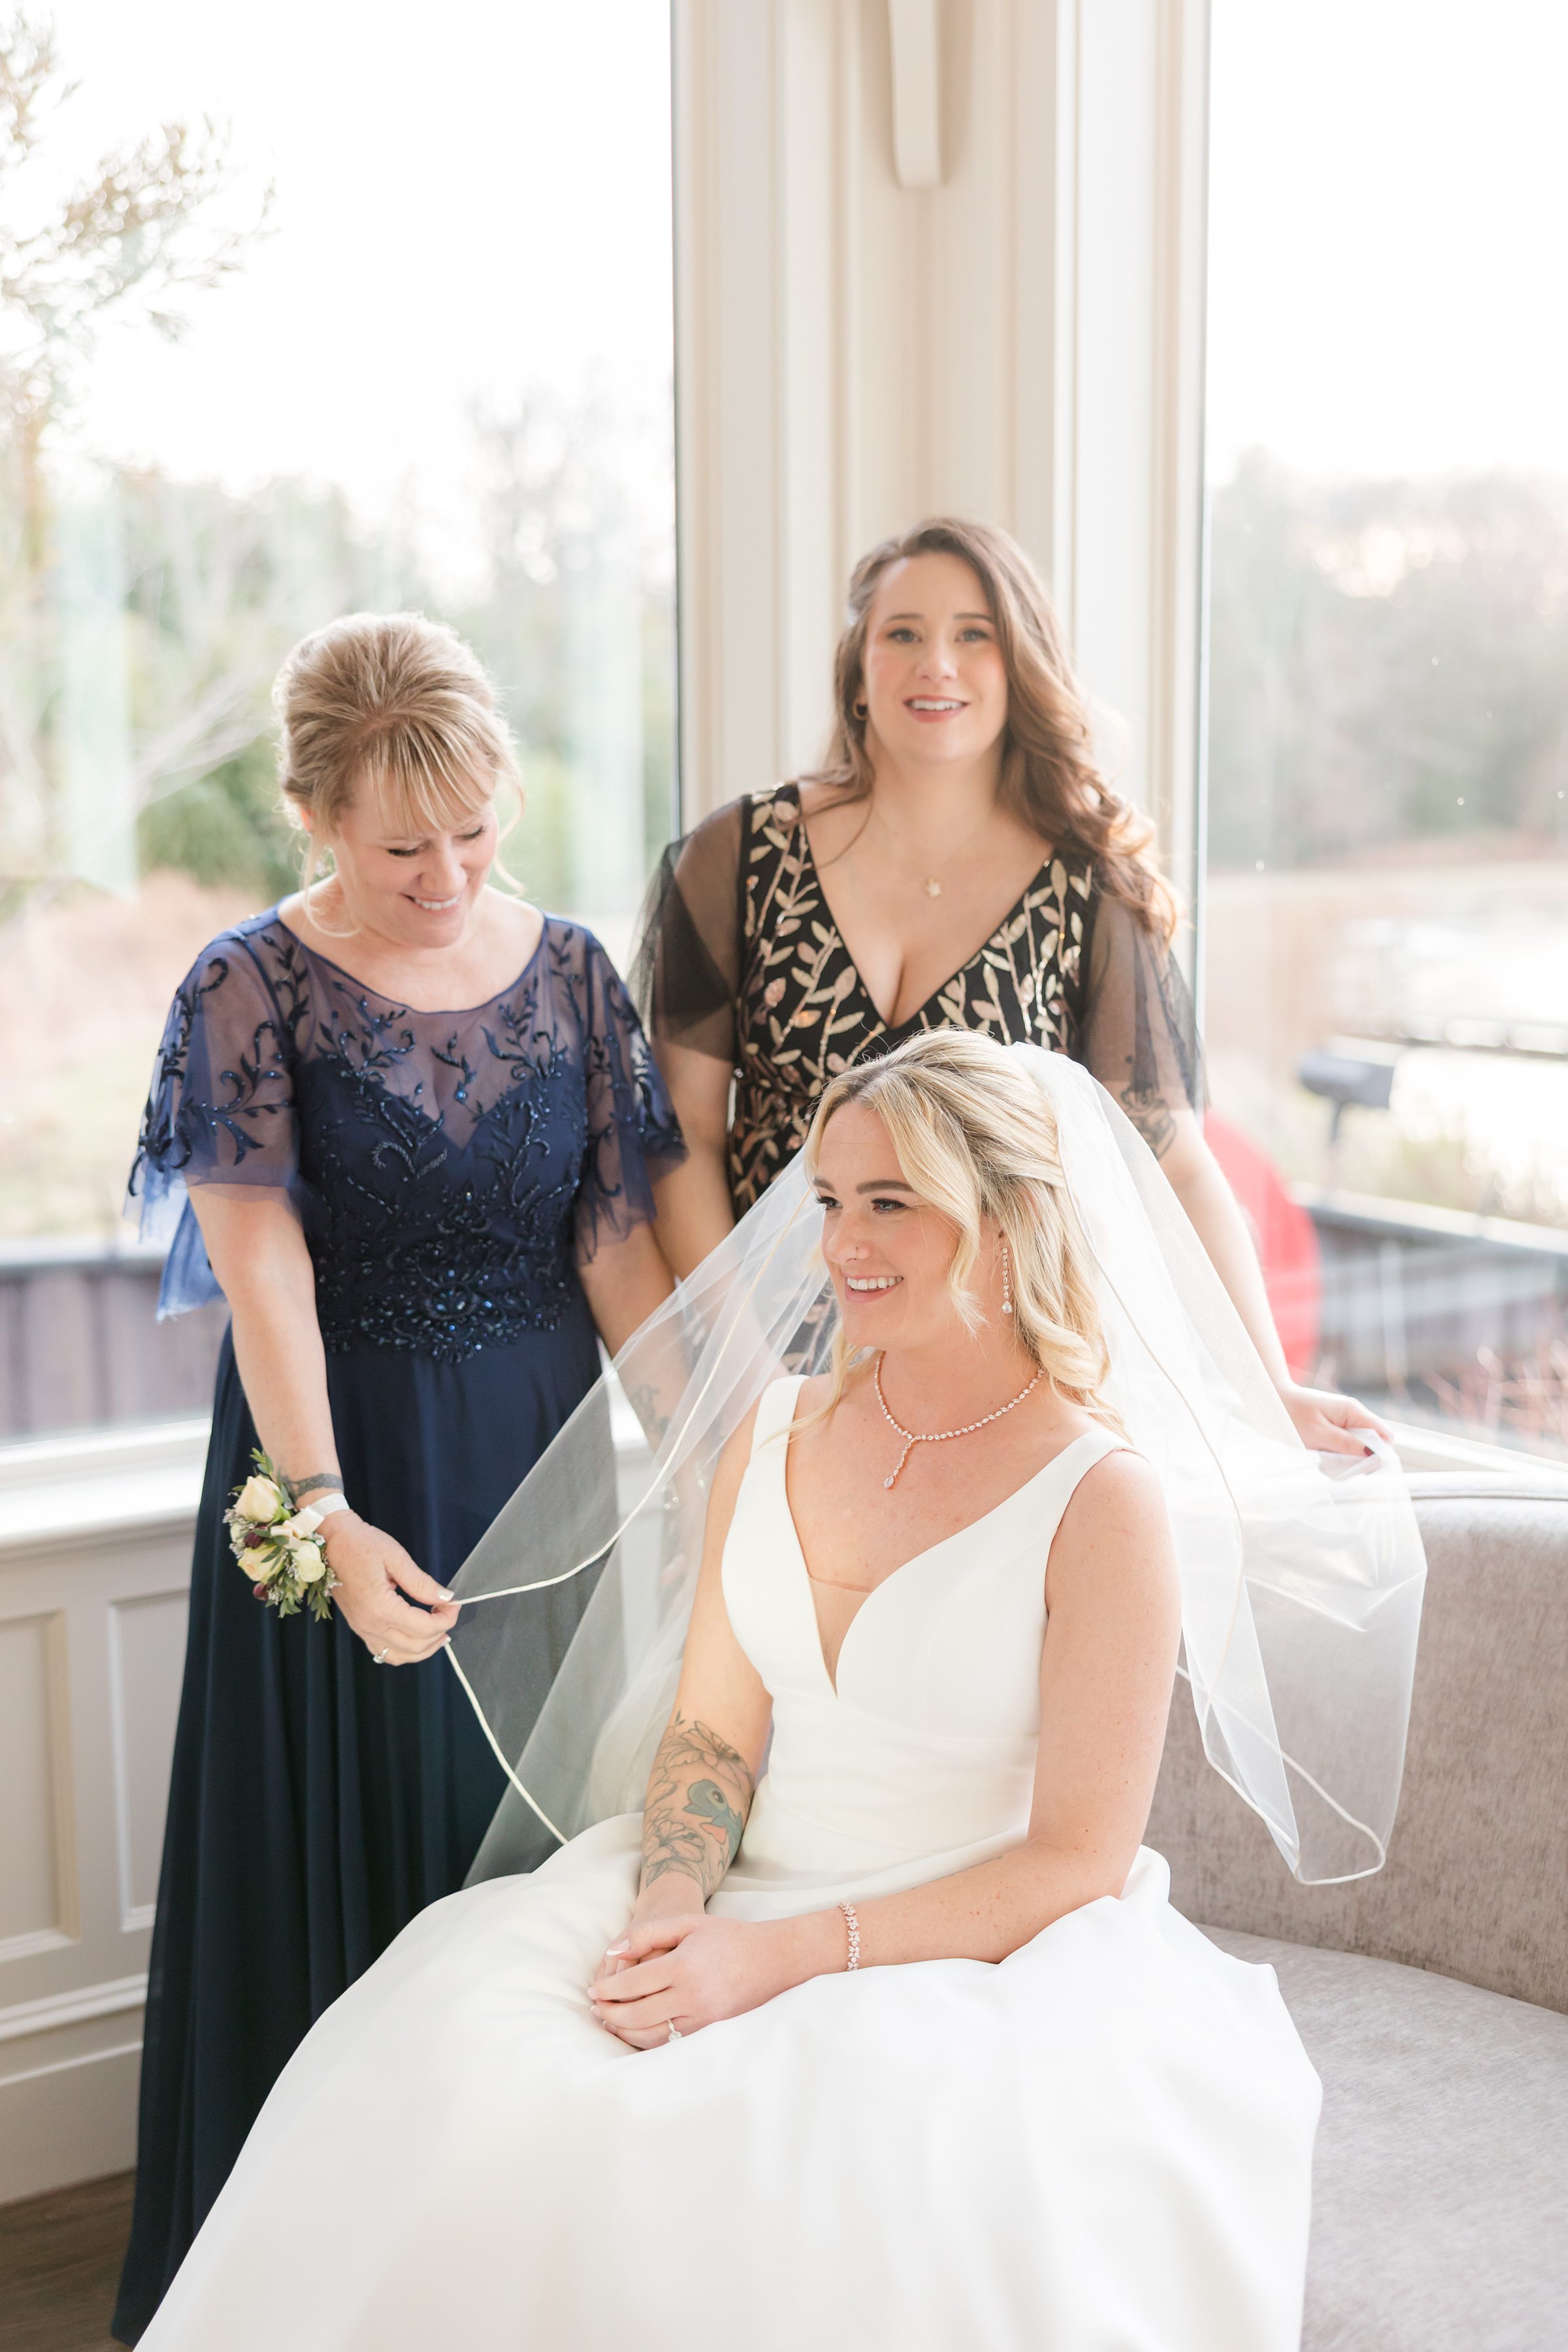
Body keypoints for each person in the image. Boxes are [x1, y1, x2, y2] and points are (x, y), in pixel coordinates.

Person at [135, 1029, 1351, 2352]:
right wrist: (669, 1903)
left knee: (802, 2189)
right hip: (732, 1888)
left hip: (973, 1947)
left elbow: (1075, 1859)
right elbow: (714, 1731)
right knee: (442, 2076)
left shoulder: (1101, 1502)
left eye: (892, 1202)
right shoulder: (773, 1431)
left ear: (1005, 1220)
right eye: (831, 1201)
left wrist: (773, 1961)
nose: (843, 1245)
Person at [113, 613, 683, 2344]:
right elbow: (262, 1274)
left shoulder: (577, 971)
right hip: (333, 1455)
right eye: (396, 843)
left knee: (524, 1862)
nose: (445, 873)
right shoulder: (244, 987)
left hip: (541, 1460)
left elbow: (617, 1255)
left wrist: (734, 1452)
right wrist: (326, 1514)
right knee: (349, 1855)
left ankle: (520, 2280)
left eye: (474, 830)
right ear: (311, 817)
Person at [637, 514, 1384, 1456]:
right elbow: (681, 1138)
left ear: (1018, 666)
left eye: (973, 635)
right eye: (902, 632)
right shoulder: (739, 857)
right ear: (858, 667)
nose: (935, 663)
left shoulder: (1088, 886)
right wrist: (747, 1390)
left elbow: (1176, 1162)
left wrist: (1266, 1385)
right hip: (772, 1367)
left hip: (989, 1380)